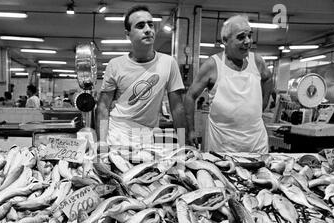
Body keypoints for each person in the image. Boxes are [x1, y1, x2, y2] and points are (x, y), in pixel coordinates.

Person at [95, 5, 196, 150]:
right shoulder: (115, 65)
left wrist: (183, 142)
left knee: (146, 171)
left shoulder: (169, 63)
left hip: (146, 136)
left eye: (150, 24)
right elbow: (103, 107)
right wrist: (102, 142)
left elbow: (177, 107)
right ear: (127, 34)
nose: (148, 29)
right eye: (140, 26)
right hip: (117, 133)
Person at [184, 15, 273, 153]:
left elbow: (267, 78)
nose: (248, 41)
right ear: (225, 40)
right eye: (241, 37)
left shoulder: (257, 61)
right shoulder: (213, 65)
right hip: (223, 145)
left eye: (249, 35)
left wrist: (263, 103)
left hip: (256, 143)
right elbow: (190, 96)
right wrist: (191, 131)